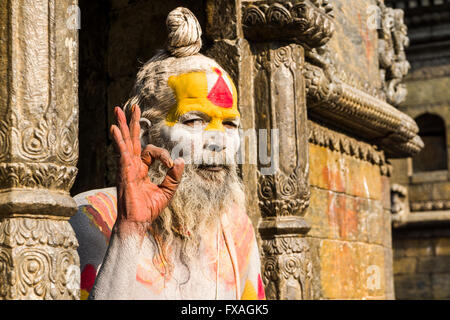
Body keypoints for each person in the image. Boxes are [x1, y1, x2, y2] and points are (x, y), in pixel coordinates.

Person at [70, 7, 265, 300]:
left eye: (229, 123)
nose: (219, 141)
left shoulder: (236, 229)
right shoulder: (90, 217)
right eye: (194, 121)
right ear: (147, 134)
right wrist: (129, 230)